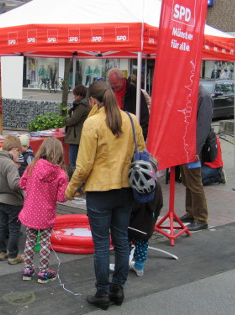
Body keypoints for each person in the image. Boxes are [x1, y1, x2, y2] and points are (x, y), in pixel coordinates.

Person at [65, 81, 146, 310]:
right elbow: (141, 151)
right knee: (121, 241)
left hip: (100, 192)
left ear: (92, 100)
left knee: (101, 244)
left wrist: (70, 190)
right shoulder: (131, 119)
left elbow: (84, 165)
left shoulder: (92, 123)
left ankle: (102, 292)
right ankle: (118, 289)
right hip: (126, 190)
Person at [19, 138, 68, 283]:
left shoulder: (32, 167)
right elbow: (61, 197)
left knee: (30, 241)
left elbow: (22, 183)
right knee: (45, 243)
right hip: (47, 213)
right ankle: (43, 273)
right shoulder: (60, 174)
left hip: (30, 211)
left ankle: (27, 271)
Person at [179, 86, 213, 231]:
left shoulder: (203, 96)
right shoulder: (192, 92)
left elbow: (203, 125)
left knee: (194, 182)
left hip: (193, 147)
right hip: (187, 145)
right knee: (188, 180)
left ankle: (201, 218)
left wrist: (195, 149)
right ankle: (191, 211)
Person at [0, 135, 25, 265]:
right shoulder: (10, 164)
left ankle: (1, 252)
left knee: (1, 226)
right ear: (15, 149)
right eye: (19, 153)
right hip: (13, 201)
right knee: (14, 228)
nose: (19, 156)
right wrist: (24, 183)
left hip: (0, 199)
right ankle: (13, 255)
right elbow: (14, 184)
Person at [107, 68, 150, 140]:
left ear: (122, 80)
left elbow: (144, 116)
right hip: (113, 137)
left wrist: (141, 136)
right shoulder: (109, 93)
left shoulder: (135, 93)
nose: (113, 86)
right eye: (111, 83)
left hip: (132, 136)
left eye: (115, 83)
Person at [64, 84, 90, 173]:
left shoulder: (81, 106)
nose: (74, 96)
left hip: (76, 138)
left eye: (74, 94)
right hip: (81, 136)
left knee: (74, 163)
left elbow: (73, 120)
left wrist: (66, 120)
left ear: (79, 95)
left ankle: (77, 185)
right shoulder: (87, 104)